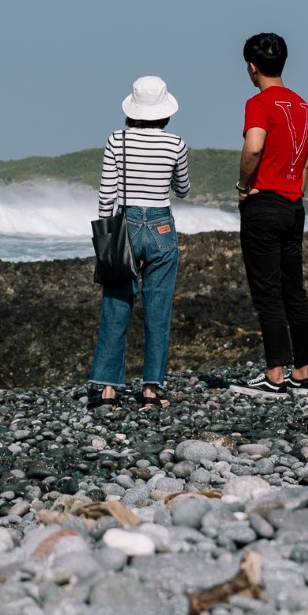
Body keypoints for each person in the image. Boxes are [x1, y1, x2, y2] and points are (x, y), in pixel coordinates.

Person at [86, 76, 191, 411]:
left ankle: (107, 391)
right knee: (158, 310)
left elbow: (107, 194)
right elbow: (183, 189)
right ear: (164, 110)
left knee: (116, 306)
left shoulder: (116, 140)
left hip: (126, 224)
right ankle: (150, 390)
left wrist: (106, 235)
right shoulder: (176, 144)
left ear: (132, 108)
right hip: (161, 226)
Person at [231, 32, 308, 399]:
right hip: (293, 205)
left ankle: (274, 375)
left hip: (263, 202)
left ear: (252, 67)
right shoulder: (304, 107)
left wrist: (242, 185)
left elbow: (254, 146)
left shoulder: (259, 102)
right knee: (293, 290)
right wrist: (293, 191)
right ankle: (302, 373)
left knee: (267, 291)